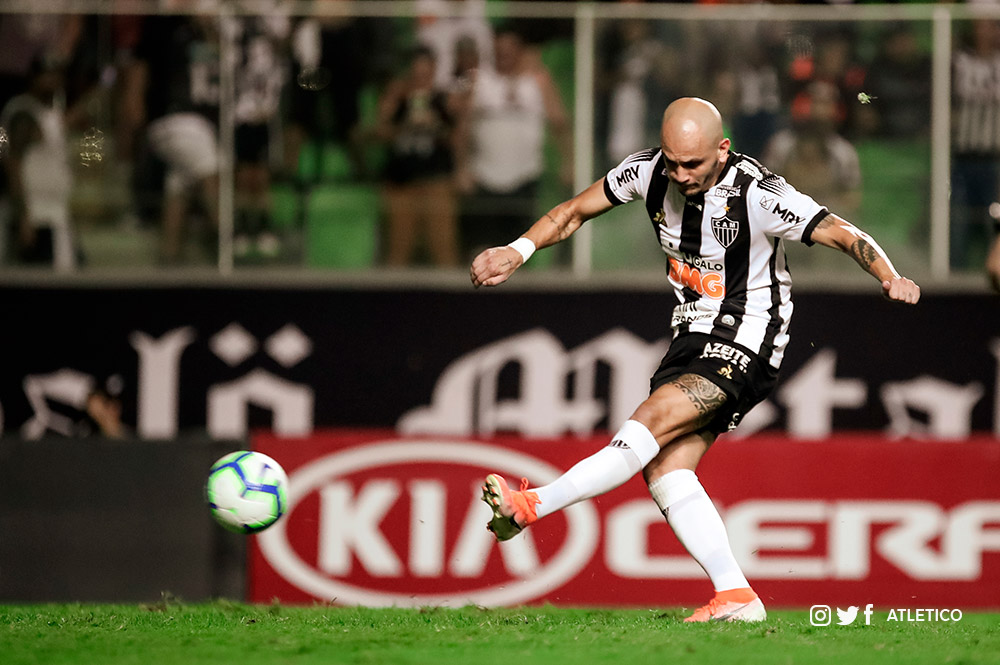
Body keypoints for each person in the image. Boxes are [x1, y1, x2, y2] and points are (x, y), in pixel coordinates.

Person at [471, 98, 920, 623]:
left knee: (652, 420)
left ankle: (531, 506)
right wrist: (516, 250)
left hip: (749, 337)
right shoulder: (647, 171)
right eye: (673, 162)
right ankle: (736, 596)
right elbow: (572, 212)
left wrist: (889, 276)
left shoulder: (760, 193)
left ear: (722, 149)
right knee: (665, 466)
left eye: (694, 164)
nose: (680, 175)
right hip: (690, 335)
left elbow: (842, 232)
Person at [376, 46, 459, 267]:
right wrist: (404, 124)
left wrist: (436, 126)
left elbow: (456, 137)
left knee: (442, 246)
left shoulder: (444, 98)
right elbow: (380, 132)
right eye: (417, 74)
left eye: (426, 73)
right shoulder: (396, 97)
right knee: (399, 247)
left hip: (435, 178)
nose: (421, 79)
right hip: (402, 181)